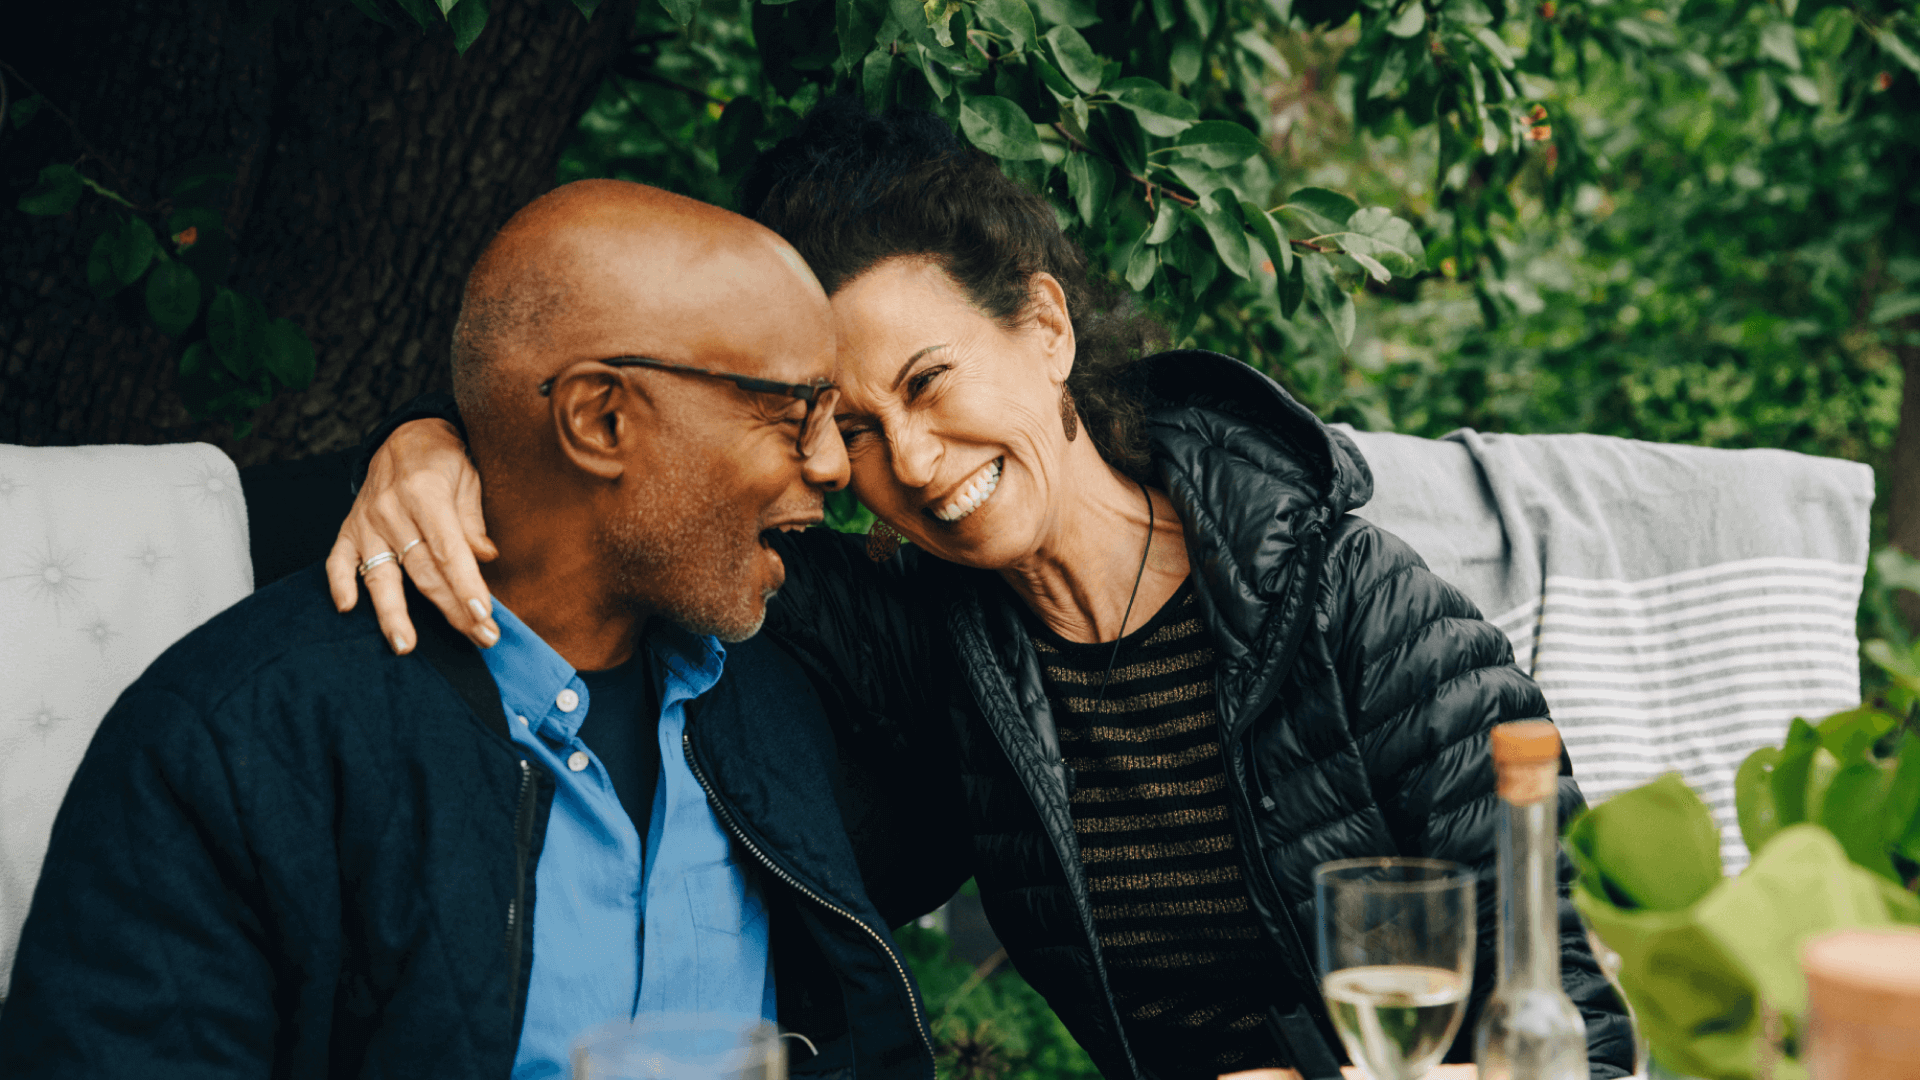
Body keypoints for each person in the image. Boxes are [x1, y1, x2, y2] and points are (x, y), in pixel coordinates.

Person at [330, 101, 1636, 1080]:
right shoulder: (925, 635)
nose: (912, 463)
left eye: (932, 381)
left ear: (1049, 330)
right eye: (851, 423)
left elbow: (1586, 1035)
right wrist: (431, 443)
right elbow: (635, 497)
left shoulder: (1358, 610)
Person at [0, 180, 963, 1079]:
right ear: (600, 420)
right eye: (793, 413)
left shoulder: (779, 685)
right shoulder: (234, 746)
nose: (836, 464)